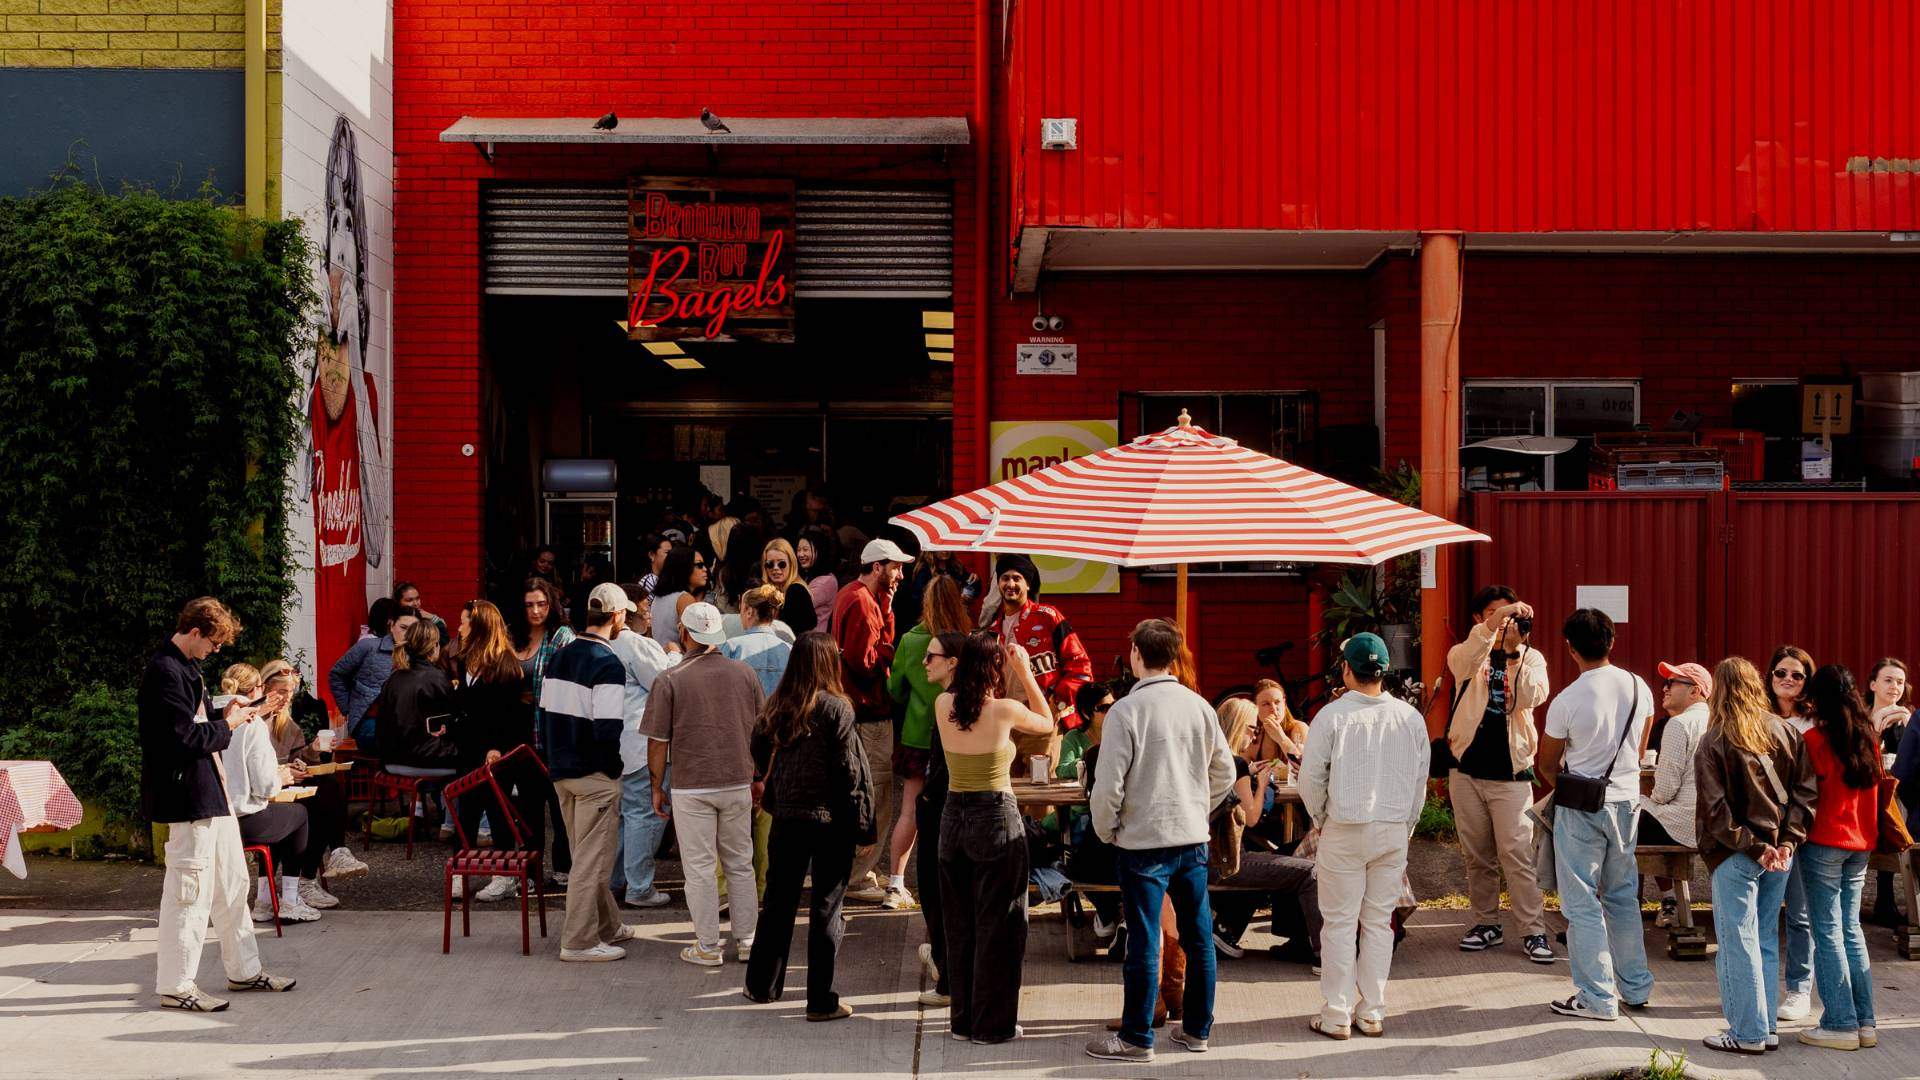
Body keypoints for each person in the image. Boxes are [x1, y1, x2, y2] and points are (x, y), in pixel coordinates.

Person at [1084, 619, 1234, 1063]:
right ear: (1174, 657)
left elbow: (1107, 784)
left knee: (1145, 938)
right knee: (1198, 936)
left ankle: (1135, 1037)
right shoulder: (1200, 707)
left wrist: (1106, 828)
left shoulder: (1126, 713)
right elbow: (1225, 772)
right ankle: (1197, 1030)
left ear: (1134, 655)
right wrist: (1196, 804)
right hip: (1191, 835)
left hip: (1142, 839)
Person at [140, 597, 295, 1011]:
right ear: (194, 633)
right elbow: (181, 739)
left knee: (231, 883)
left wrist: (249, 710)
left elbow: (199, 721)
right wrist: (230, 722)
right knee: (188, 892)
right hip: (188, 796)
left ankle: (244, 971)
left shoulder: (184, 667)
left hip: (210, 793)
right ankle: (177, 985)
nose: (217, 650)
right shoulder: (165, 672)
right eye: (213, 642)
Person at [1293, 633, 1430, 1041]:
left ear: (1346, 669)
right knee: (1378, 923)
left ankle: (1336, 1012)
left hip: (1345, 824)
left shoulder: (1332, 716)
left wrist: (1321, 817)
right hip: (1391, 827)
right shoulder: (1410, 718)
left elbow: (1311, 779)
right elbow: (1420, 782)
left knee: (1338, 922)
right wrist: (1407, 824)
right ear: (1384, 671)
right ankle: (1371, 1010)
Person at [742, 633, 877, 1020]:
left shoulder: (779, 704)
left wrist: (775, 775)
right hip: (830, 819)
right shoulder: (837, 708)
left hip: (787, 815)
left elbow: (757, 743)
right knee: (826, 907)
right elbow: (852, 774)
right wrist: (863, 827)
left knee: (778, 902)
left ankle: (762, 984)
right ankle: (819, 1000)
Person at [1537, 608, 1655, 1022]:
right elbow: (1640, 750)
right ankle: (1636, 987)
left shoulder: (1567, 699)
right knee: (1623, 897)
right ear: (1612, 641)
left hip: (1580, 804)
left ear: (1570, 648)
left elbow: (1546, 763)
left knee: (1581, 902)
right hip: (1627, 801)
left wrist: (1570, 780)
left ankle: (1597, 997)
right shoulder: (1640, 687)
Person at [1693, 656, 1815, 1055]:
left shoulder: (1714, 740)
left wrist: (1756, 847)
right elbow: (1805, 794)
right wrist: (1787, 843)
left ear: (1721, 690)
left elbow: (1715, 813)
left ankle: (1746, 1033)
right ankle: (1764, 1028)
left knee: (1736, 943)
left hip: (1738, 854)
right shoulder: (1785, 731)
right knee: (1761, 939)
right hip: (1780, 853)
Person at [939, 631, 1055, 1046]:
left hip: (953, 817)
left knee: (962, 924)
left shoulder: (943, 705)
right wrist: (1024, 669)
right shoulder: (1005, 710)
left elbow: (969, 699)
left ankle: (964, 1020)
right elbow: (1047, 722)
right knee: (1001, 923)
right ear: (994, 669)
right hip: (996, 816)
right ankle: (993, 1025)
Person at [642, 601, 766, 966]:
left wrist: (655, 785)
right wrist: (759, 777)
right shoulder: (744, 673)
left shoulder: (670, 679)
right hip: (737, 780)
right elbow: (762, 732)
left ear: (684, 633)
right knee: (740, 864)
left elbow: (657, 741)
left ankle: (708, 945)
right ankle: (747, 941)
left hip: (692, 783)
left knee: (699, 867)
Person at [1444, 586, 1553, 963]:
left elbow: (1531, 695)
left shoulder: (1531, 657)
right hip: (1467, 770)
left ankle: (1533, 930)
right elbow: (1462, 664)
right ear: (1479, 618)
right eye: (1495, 613)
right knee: (1477, 855)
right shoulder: (1465, 653)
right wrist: (1493, 630)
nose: (1505, 620)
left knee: (1518, 854)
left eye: (1510, 614)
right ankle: (1486, 922)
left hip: (1512, 773)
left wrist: (1512, 654)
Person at [539, 582, 642, 962]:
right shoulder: (608, 663)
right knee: (590, 860)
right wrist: (613, 770)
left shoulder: (559, 655)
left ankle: (608, 926)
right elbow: (608, 728)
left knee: (586, 855)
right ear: (617, 616)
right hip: (594, 775)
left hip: (562, 771)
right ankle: (579, 941)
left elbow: (545, 714)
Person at [1795, 666, 1883, 1051]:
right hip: (1861, 843)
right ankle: (1864, 1022)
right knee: (1850, 930)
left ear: (1817, 700)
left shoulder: (1814, 739)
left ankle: (1840, 1023)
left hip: (1825, 841)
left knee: (1827, 932)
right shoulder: (1869, 739)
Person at [883, 576, 972, 911]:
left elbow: (895, 691)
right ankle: (951, 880)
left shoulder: (911, 639)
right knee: (956, 807)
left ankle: (895, 883)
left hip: (918, 734)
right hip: (960, 732)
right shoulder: (966, 639)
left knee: (909, 809)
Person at [832, 538, 913, 903]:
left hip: (855, 712)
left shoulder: (852, 594)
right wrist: (888, 652)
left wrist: (889, 608)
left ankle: (854, 870)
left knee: (858, 793)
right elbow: (864, 664)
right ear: (877, 566)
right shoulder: (863, 604)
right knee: (877, 795)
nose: (900, 574)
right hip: (869, 713)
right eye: (895, 567)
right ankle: (856, 876)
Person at [218, 664, 324, 925]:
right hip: (246, 816)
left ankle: (264, 901)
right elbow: (265, 786)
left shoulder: (218, 720)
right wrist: (282, 777)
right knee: (297, 815)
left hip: (220, 817)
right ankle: (290, 899)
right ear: (259, 690)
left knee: (281, 817)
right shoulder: (253, 725)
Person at [256, 660, 367, 909]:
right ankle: (307, 878)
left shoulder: (288, 724)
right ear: (264, 688)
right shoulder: (254, 722)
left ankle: (330, 860)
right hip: (264, 792)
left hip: (285, 788)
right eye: (281, 691)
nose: (286, 698)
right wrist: (286, 770)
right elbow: (254, 766)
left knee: (328, 790)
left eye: (290, 693)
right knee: (315, 806)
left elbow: (297, 759)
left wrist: (313, 751)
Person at [448, 600, 538, 903]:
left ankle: (503, 876)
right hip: (467, 748)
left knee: (498, 810)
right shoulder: (464, 661)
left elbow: (512, 715)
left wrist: (498, 747)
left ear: (480, 626)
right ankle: (462, 871)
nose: (459, 627)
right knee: (466, 811)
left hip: (495, 753)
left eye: (464, 622)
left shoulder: (506, 667)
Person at [719, 583, 792, 903]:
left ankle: (726, 892)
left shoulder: (730, 648)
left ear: (748, 612)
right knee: (767, 824)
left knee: (730, 823)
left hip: (736, 740)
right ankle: (761, 891)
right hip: (777, 743)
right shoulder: (788, 651)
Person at [609, 586, 678, 909]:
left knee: (625, 817)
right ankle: (639, 886)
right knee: (646, 815)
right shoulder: (637, 645)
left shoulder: (601, 645)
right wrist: (675, 654)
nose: (649, 612)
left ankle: (617, 880)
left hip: (614, 745)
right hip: (641, 743)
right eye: (645, 606)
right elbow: (666, 683)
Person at [991, 554, 1094, 763]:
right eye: (1005, 578)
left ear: (1028, 584)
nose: (1010, 583)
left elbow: (1081, 667)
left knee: (1040, 788)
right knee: (1007, 789)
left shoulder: (1048, 616)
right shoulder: (992, 630)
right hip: (1006, 723)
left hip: (1040, 721)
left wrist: (1056, 703)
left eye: (1017, 578)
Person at [911, 630, 965, 1008]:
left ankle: (948, 975)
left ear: (952, 663)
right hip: (953, 805)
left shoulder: (949, 702)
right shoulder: (969, 700)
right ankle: (947, 967)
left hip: (944, 806)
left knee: (938, 892)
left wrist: (929, 796)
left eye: (932, 656)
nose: (925, 662)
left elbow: (947, 761)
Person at [1766, 644, 1817, 1023]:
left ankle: (1799, 988)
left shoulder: (1814, 724)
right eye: (1781, 673)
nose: (1788, 680)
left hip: (1801, 830)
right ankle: (1761, 986)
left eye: (1796, 675)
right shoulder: (1758, 719)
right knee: (1761, 914)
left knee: (1798, 914)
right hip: (1762, 830)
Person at [515, 576, 577, 887]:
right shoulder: (514, 638)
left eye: (541, 604)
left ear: (551, 605)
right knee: (528, 809)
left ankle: (563, 869)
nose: (536, 611)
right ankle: (529, 870)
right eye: (529, 605)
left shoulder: (562, 636)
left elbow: (567, 684)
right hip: (522, 738)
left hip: (554, 736)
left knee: (560, 807)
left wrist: (531, 696)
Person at [1640, 660, 1711, 927]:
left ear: (1695, 691)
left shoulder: (1679, 724)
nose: (1665, 689)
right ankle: (1669, 898)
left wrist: (1646, 800)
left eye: (1673, 683)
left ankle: (1608, 911)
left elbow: (1665, 791)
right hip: (1709, 823)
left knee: (1614, 822)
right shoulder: (1718, 721)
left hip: (1681, 824)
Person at [328, 602, 419, 746]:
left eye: (413, 630)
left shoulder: (418, 655)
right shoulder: (369, 647)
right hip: (370, 721)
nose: (407, 634)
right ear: (391, 624)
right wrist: (347, 708)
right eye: (403, 627)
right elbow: (337, 674)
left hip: (405, 722)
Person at [1865, 658, 1910, 927]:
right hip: (1866, 788)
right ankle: (1880, 900)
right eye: (1888, 680)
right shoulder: (1860, 717)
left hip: (1896, 791)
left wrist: (1905, 726)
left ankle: (1888, 900)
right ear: (1873, 684)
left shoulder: (1907, 718)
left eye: (1900, 682)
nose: (1895, 686)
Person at [722, 585, 794, 697]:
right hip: (779, 713)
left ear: (749, 611)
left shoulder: (732, 646)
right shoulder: (789, 649)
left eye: (741, 610)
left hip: (744, 712)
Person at [895, 549, 982, 633]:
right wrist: (956, 600)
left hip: (955, 619)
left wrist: (975, 582)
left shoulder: (956, 567)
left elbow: (974, 592)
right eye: (940, 547)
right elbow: (919, 600)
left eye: (948, 546)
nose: (945, 550)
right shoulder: (924, 570)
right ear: (932, 548)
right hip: (933, 622)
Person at [650, 543, 710, 652]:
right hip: (680, 662)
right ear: (683, 567)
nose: (705, 569)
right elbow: (694, 643)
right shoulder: (685, 599)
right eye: (699, 565)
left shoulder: (658, 598)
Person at [756, 537, 817, 636]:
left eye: (782, 564)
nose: (775, 568)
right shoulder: (767, 591)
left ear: (791, 564)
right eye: (770, 564)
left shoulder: (796, 591)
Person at [796, 526, 842, 630]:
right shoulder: (807, 574)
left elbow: (799, 606)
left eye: (805, 550)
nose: (800, 554)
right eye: (798, 550)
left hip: (813, 642)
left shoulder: (825, 581)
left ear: (820, 551)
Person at [637, 532, 673, 598]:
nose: (672, 556)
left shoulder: (667, 579)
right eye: (667, 552)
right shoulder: (647, 582)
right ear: (652, 555)